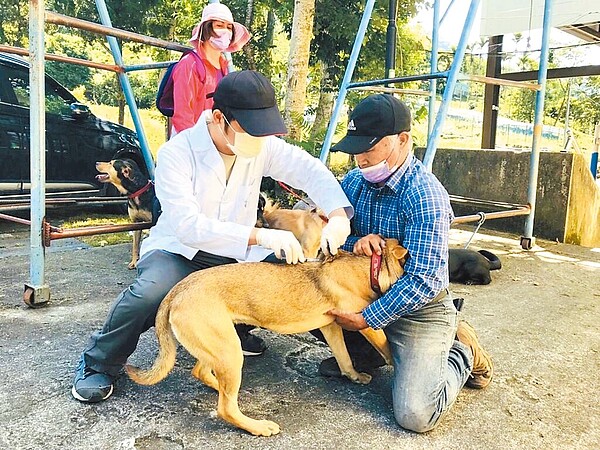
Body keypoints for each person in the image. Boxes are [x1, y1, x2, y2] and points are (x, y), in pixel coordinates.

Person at [72, 70, 353, 403]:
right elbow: (187, 225)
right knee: (150, 294)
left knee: (292, 276)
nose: (260, 141)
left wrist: (337, 216)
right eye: (252, 131)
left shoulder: (259, 145)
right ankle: (100, 363)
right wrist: (260, 237)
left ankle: (236, 330)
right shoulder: (178, 153)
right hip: (178, 250)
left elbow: (310, 170)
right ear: (220, 119)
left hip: (236, 251)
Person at [322, 94, 493, 433]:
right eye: (356, 149)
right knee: (302, 294)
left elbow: (425, 280)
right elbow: (327, 234)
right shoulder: (355, 181)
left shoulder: (425, 195)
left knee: (416, 414)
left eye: (369, 149)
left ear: (402, 140)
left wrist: (367, 320)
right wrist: (355, 241)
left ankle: (461, 352)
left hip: (418, 309)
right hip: (365, 294)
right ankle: (372, 353)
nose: (360, 159)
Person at [171, 2, 250, 136]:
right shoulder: (189, 65)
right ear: (207, 29)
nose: (226, 31)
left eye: (229, 27)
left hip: (216, 139)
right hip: (189, 141)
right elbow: (182, 117)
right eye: (219, 25)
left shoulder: (224, 66)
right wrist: (196, 147)